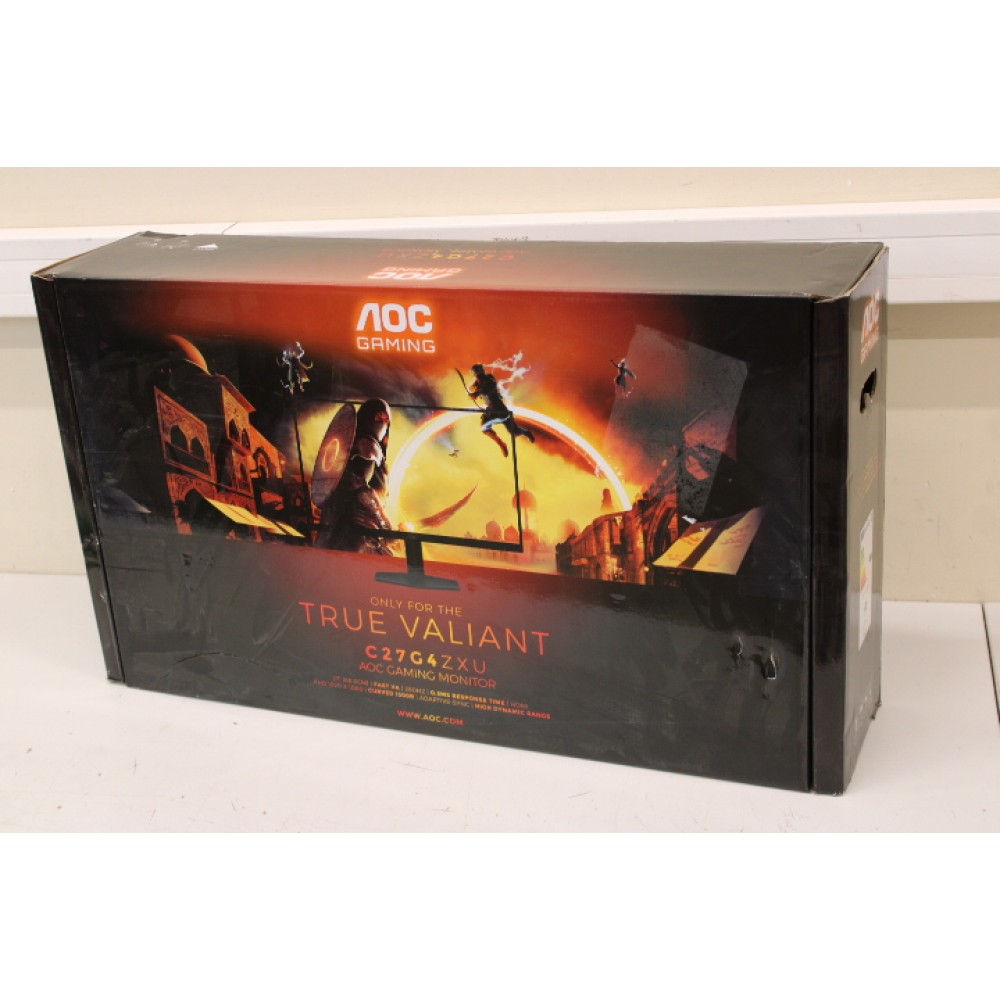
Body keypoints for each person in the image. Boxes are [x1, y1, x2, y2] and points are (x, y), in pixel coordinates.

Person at [315, 398, 395, 554]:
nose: (382, 423)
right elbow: (359, 487)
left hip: (361, 532)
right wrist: (385, 526)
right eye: (378, 417)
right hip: (358, 535)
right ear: (367, 417)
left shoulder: (362, 445)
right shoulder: (367, 445)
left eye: (386, 420)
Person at [466, 363, 535, 458]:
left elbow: (489, 387)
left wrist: (477, 393)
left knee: (514, 432)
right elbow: (472, 389)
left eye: (480, 374)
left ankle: (525, 432)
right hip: (491, 411)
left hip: (501, 410)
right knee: (484, 428)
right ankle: (501, 444)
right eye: (477, 375)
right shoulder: (477, 383)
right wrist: (472, 394)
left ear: (483, 372)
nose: (479, 376)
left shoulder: (489, 379)